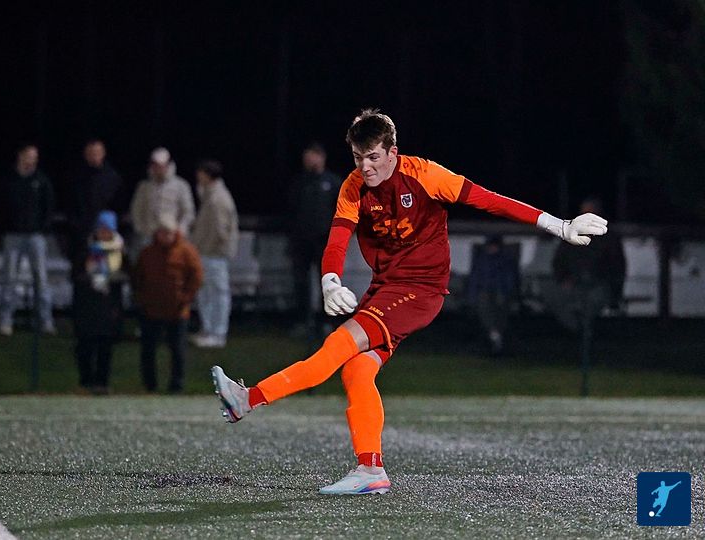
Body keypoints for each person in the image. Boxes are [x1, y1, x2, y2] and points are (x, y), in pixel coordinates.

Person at [211, 109, 608, 495]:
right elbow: (337, 239)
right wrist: (330, 281)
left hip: (421, 289)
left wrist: (558, 225)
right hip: (386, 288)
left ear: (392, 152)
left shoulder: (425, 175)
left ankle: (247, 400)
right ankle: (371, 469)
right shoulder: (353, 187)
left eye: (373, 157)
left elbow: (489, 200)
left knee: (337, 346)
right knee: (356, 371)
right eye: (358, 157)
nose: (365, 167)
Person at [132, 213, 202, 393]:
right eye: (161, 232)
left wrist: (186, 298)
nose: (165, 236)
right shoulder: (148, 253)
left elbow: (196, 276)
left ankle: (177, 386)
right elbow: (138, 277)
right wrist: (142, 299)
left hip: (177, 311)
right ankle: (149, 385)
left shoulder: (186, 252)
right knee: (148, 350)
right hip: (151, 310)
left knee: (178, 350)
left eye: (168, 233)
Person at [0, 143, 57, 336]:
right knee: (9, 278)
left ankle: (45, 321)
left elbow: (49, 206)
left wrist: (42, 226)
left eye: (35, 157)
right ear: (20, 156)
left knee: (41, 279)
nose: (32, 161)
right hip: (13, 235)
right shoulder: (8, 180)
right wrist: (5, 225)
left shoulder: (41, 180)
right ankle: (5, 321)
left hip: (36, 236)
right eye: (29, 156)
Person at [285, 142, 342, 336]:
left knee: (327, 282)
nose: (309, 161)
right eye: (306, 158)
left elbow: (341, 210)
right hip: (301, 242)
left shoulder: (332, 182)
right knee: (301, 282)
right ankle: (303, 320)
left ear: (321, 157)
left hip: (324, 242)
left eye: (312, 157)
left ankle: (327, 321)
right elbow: (291, 210)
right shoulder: (299, 183)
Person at [547, 198, 626, 333]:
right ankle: (577, 329)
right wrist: (564, 279)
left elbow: (617, 266)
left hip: (599, 285)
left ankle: (585, 333)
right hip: (573, 283)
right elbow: (558, 262)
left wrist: (606, 283)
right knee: (554, 295)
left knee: (591, 300)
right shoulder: (571, 234)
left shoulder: (609, 238)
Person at [72, 210, 126, 395]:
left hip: (108, 306)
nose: (104, 233)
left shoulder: (120, 251)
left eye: (107, 230)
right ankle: (85, 381)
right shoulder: (86, 249)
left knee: (105, 348)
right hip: (88, 305)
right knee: (85, 346)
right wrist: (88, 276)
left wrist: (113, 278)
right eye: (101, 229)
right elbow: (76, 274)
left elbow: (127, 275)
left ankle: (102, 383)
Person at [190, 159, 239, 348]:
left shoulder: (218, 198)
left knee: (217, 294)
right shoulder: (211, 195)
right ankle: (209, 330)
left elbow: (221, 230)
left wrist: (210, 247)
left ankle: (217, 334)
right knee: (207, 293)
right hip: (208, 252)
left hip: (214, 254)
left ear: (207, 175)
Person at [64, 139, 123, 281]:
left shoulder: (112, 177)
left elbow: (119, 205)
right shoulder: (76, 177)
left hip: (107, 236)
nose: (94, 156)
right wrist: (77, 225)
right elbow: (69, 204)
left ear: (103, 153)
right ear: (85, 155)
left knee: (109, 273)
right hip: (81, 236)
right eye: (90, 153)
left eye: (97, 152)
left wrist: (109, 228)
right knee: (81, 274)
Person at [129, 147, 195, 261]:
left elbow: (188, 212)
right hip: (149, 237)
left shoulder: (181, 186)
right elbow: (136, 210)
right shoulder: (144, 187)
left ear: (168, 165)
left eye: (161, 166)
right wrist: (141, 228)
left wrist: (180, 231)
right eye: (155, 165)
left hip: (173, 237)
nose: (158, 169)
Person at [465, 235, 519, 356]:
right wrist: (472, 296)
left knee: (500, 308)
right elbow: (475, 279)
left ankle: (496, 336)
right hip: (485, 292)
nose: (492, 248)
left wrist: (507, 292)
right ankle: (494, 334)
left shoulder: (506, 260)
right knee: (485, 306)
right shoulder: (482, 260)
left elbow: (510, 279)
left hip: (501, 291)